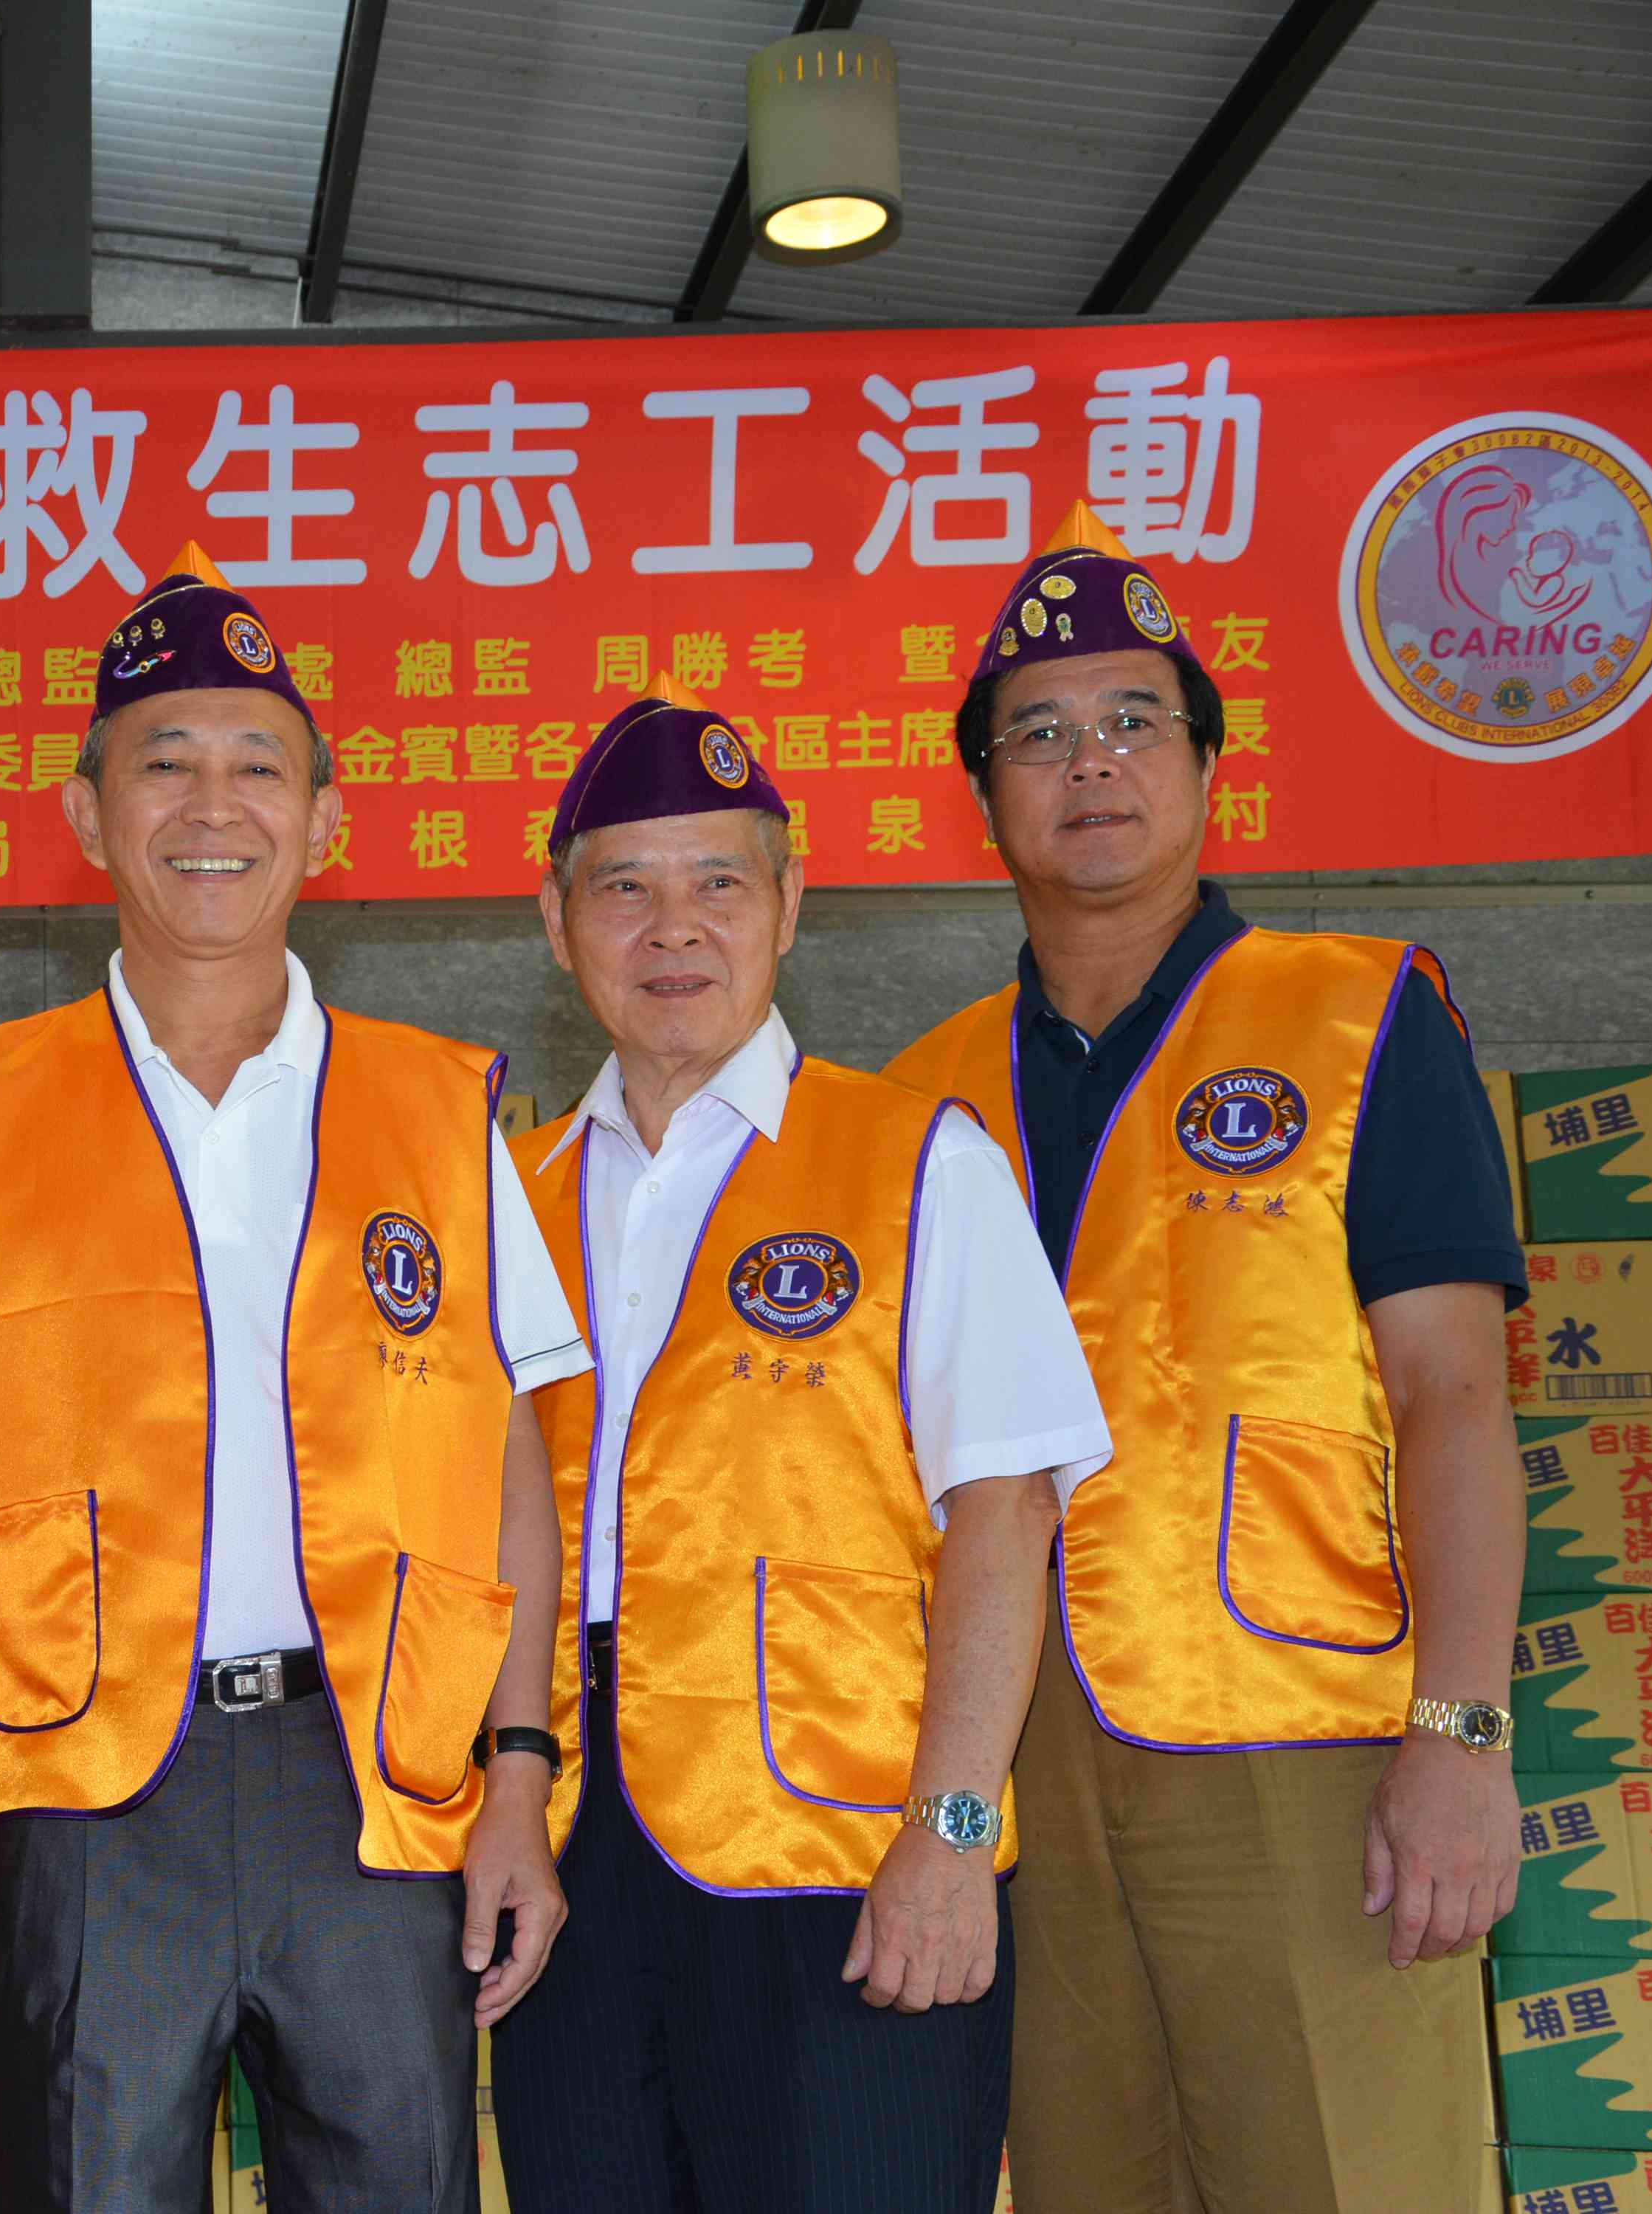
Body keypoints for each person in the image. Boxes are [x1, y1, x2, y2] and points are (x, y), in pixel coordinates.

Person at [0, 544, 590, 2214]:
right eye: (163, 763)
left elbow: (510, 1467)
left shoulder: (438, 1107)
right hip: (88, 1798)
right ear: (85, 811)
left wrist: (521, 1777)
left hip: (378, 1786)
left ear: (325, 822)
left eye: (259, 766)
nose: (212, 806)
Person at [885, 503, 1527, 2214]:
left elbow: (1455, 1396)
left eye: (1130, 721)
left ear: (1205, 763)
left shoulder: (1358, 1014)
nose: (1088, 762)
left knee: (1347, 2180)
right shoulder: (914, 1097)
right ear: (982, 798)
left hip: (1303, 1746)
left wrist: (1462, 1732)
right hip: (1013, 1763)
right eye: (1037, 733)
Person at [487, 687, 1107, 2213]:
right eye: (623, 889)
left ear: (790, 902)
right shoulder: (500, 1196)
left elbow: (1006, 1511)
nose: (673, 928)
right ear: (557, 924)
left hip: (846, 1857)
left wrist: (951, 1832)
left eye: (719, 882)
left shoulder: (917, 1160)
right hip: (562, 1859)